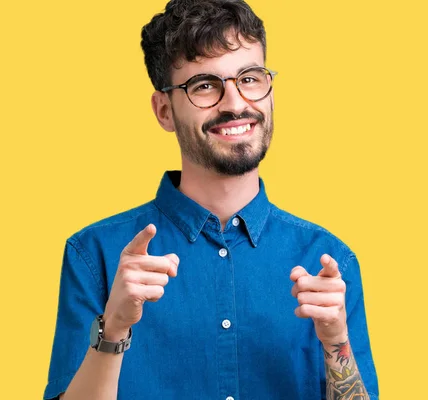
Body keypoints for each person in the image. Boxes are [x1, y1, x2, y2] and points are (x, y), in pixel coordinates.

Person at [43, 0, 379, 399]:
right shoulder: (95, 255)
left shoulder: (330, 261)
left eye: (250, 78)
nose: (236, 104)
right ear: (164, 110)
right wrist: (112, 330)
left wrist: (335, 340)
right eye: (205, 86)